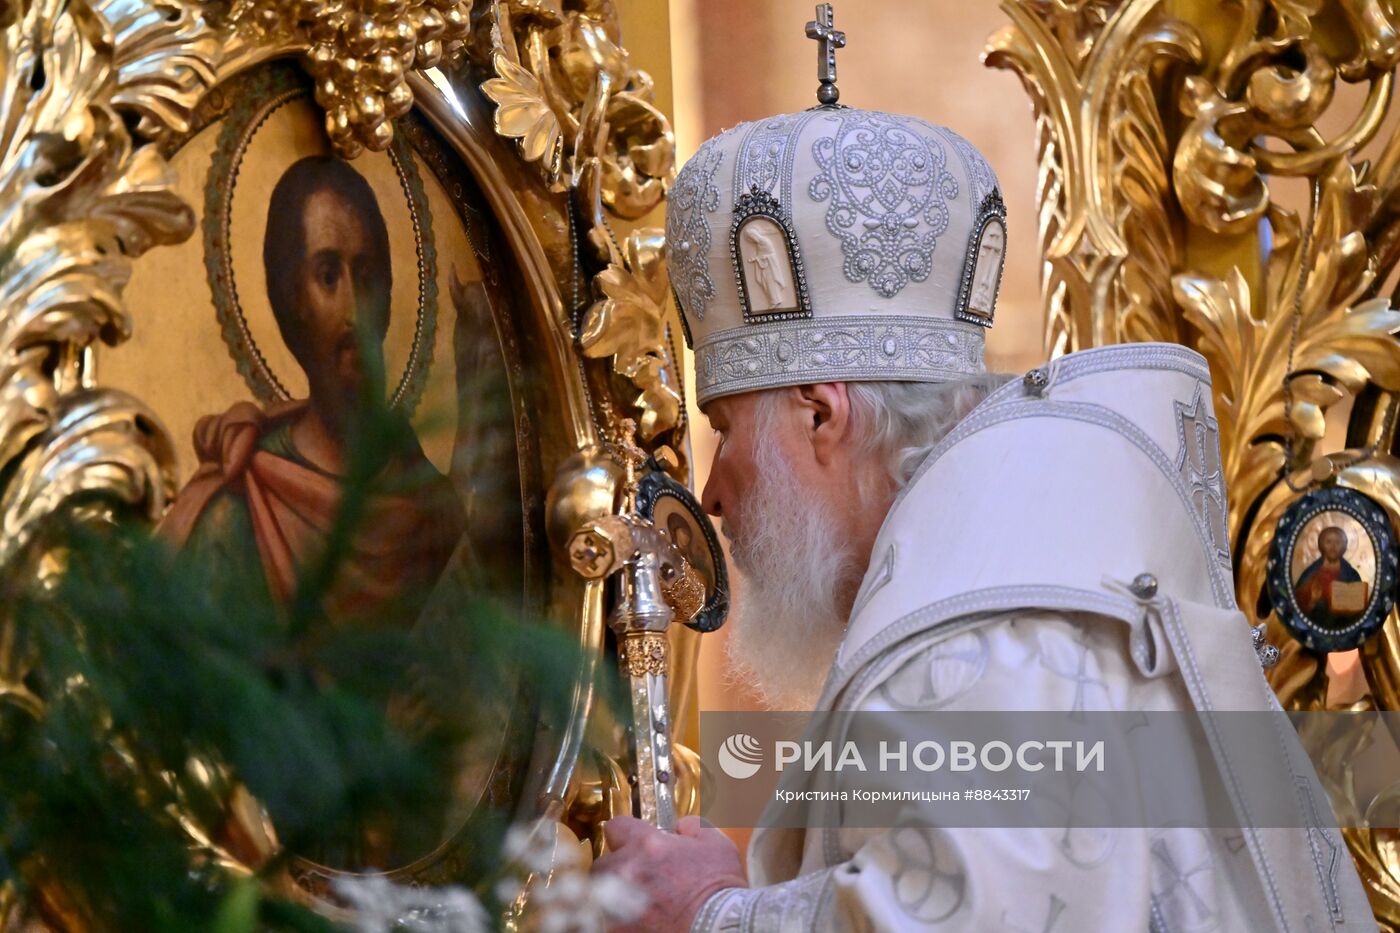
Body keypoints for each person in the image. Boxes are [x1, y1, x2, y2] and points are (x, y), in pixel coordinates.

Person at [591, 58, 1374, 933]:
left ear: (821, 413)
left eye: (726, 429)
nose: (710, 491)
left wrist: (705, 911)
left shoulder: (979, 632)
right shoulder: (1032, 561)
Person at [159, 156, 464, 625]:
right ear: (292, 301)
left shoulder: (434, 508)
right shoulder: (237, 512)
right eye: (327, 276)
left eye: (366, 277)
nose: (353, 312)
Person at [1295, 525, 1367, 628]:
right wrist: (1313, 601)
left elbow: (1360, 608)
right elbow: (1297, 604)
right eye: (1328, 542)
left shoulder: (1351, 574)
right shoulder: (1312, 572)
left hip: (1343, 626)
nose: (1333, 547)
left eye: (1337, 543)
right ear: (1321, 545)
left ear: (1344, 546)